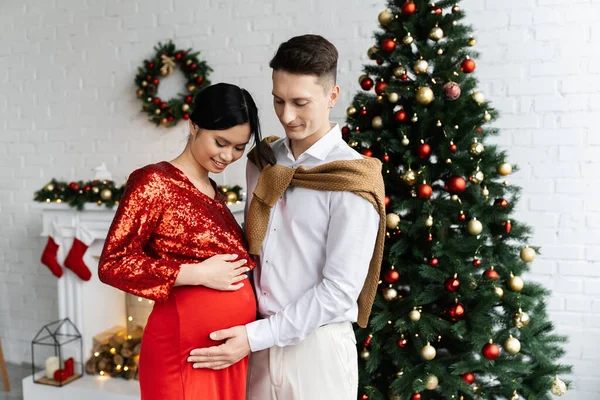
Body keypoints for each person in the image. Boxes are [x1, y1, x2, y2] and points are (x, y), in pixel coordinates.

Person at [186, 35, 386, 399]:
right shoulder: (261, 162)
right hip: (252, 344)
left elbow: (340, 291)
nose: (287, 115)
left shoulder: (352, 178)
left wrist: (255, 336)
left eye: (300, 102)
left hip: (316, 352)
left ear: (332, 95)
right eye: (279, 101)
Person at [98, 83, 273, 400]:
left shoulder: (214, 193)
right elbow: (113, 263)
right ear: (193, 125)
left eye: (238, 147)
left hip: (226, 353)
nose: (227, 156)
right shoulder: (155, 181)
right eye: (221, 142)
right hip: (183, 352)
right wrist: (196, 274)